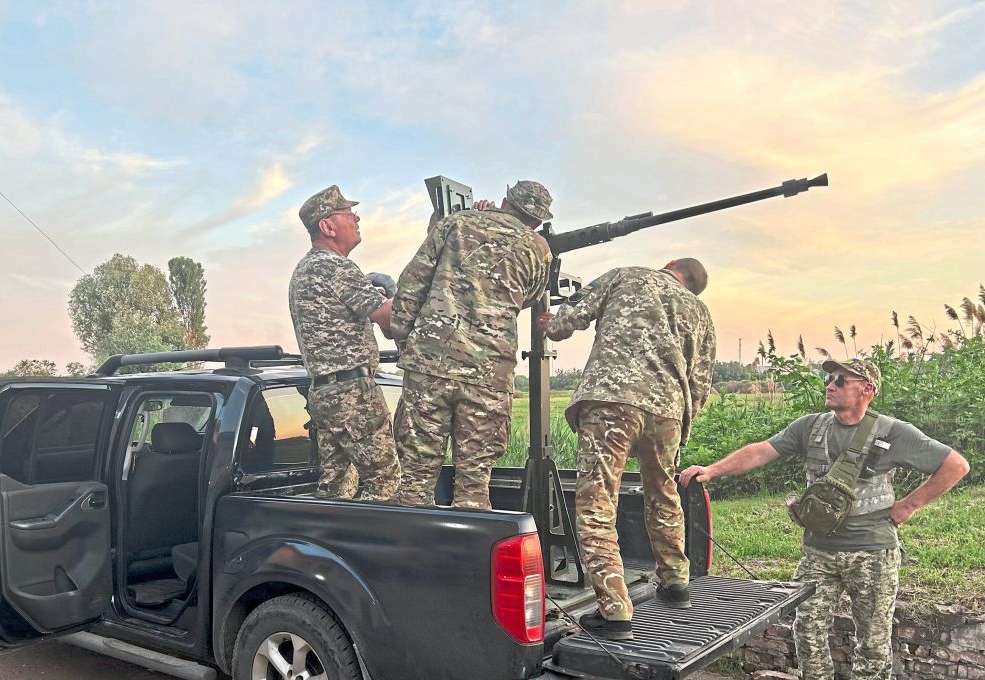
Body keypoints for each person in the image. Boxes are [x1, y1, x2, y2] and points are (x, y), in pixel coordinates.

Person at [679, 358, 970, 680]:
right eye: (829, 379)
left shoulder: (894, 432)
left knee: (873, 631)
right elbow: (761, 450)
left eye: (840, 380)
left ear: (866, 390)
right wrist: (712, 470)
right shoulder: (811, 427)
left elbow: (955, 465)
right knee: (808, 624)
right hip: (818, 548)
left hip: (873, 549)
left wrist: (907, 506)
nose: (830, 385)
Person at [538, 260, 715, 641]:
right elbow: (700, 381)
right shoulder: (700, 312)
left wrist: (551, 324)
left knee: (597, 504)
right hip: (668, 412)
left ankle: (616, 611)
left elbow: (570, 318)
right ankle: (675, 580)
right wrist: (681, 424)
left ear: (669, 267)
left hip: (611, 401)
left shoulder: (628, 275)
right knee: (664, 494)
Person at [389, 181, 554, 509]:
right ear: (536, 221)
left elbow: (412, 283)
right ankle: (471, 557)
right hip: (488, 375)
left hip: (429, 365)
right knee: (475, 484)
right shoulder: (539, 249)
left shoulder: (456, 223)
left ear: (505, 200)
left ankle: (409, 555)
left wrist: (407, 340)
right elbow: (528, 297)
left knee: (415, 479)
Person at [288, 185, 399, 501]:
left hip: (324, 393)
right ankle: (377, 550)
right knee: (386, 484)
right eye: (348, 213)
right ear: (327, 226)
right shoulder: (334, 265)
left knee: (336, 489)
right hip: (352, 394)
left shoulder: (306, 269)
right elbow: (389, 319)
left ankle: (326, 543)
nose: (357, 217)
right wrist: (395, 293)